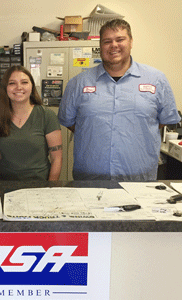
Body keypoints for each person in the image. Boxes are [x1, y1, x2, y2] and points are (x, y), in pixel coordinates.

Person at [58, 19, 181, 181]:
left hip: (140, 179)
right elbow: (69, 122)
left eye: (120, 39)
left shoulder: (156, 80)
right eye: (107, 41)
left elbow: (163, 120)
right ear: (100, 46)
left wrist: (136, 129)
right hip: (90, 178)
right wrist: (96, 130)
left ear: (130, 42)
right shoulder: (78, 83)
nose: (113, 45)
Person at [0, 65, 62, 180]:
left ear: (32, 86)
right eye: (12, 83)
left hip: (39, 187)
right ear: (5, 88)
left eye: (24, 82)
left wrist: (50, 188)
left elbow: (56, 159)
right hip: (5, 187)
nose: (19, 87)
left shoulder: (46, 116)